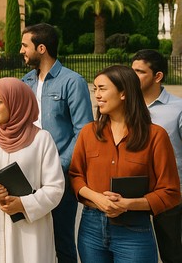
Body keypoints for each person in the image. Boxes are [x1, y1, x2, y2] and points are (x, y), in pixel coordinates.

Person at [70, 65, 181, 263]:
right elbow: (76, 176)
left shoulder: (156, 136)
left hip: (134, 231)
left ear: (123, 93)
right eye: (95, 89)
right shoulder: (88, 132)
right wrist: (97, 198)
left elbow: (170, 192)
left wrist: (128, 204)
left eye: (103, 89)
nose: (97, 95)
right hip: (91, 228)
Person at [0, 77, 65, 263]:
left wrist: (24, 204)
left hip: (30, 230)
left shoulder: (42, 139)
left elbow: (56, 187)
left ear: (17, 103)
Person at [20, 23, 93, 263]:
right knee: (30, 243)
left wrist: (58, 165)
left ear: (41, 48)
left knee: (62, 243)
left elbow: (83, 130)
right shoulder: (25, 82)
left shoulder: (73, 81)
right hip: (27, 176)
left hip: (60, 176)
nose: (21, 51)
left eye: (24, 45)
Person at [132, 49, 182, 262]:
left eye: (139, 72)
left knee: (172, 254)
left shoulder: (178, 108)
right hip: (132, 195)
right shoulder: (124, 106)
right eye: (131, 70)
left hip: (170, 195)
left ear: (158, 76)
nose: (132, 76)